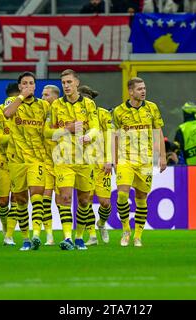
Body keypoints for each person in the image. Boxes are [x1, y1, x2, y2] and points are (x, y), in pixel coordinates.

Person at [46, 69, 100, 251]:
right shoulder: (55, 106)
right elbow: (46, 132)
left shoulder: (89, 105)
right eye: (63, 83)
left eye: (69, 82)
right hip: (63, 159)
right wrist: (65, 130)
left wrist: (88, 136)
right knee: (66, 197)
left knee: (84, 201)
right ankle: (68, 237)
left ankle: (79, 237)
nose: (66, 86)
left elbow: (95, 128)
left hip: (85, 159)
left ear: (77, 82)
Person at [113, 77, 167, 247]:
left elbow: (158, 132)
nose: (143, 91)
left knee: (142, 197)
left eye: (144, 88)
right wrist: (113, 160)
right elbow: (113, 137)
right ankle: (125, 229)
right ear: (130, 91)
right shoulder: (119, 111)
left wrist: (163, 156)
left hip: (145, 160)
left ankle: (138, 236)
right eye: (139, 89)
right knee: (122, 194)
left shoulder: (152, 108)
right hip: (125, 159)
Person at [3, 72, 51, 251]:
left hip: (37, 158)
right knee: (20, 200)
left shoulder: (45, 106)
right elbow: (8, 114)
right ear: (19, 87)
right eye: (24, 83)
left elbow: (49, 129)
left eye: (31, 83)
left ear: (36, 86)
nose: (29, 86)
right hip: (16, 158)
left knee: (37, 195)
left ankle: (36, 234)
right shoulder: (12, 102)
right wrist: (21, 96)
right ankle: (25, 237)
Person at [78, 85, 113, 246]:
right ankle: (92, 234)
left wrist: (109, 160)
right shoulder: (76, 116)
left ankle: (101, 223)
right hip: (85, 164)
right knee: (87, 200)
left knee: (105, 203)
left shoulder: (104, 115)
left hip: (101, 164)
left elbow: (111, 137)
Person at [0, 82, 19, 241]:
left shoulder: (26, 111)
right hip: (3, 162)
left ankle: (9, 235)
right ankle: (4, 225)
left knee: (16, 198)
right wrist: (19, 138)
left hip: (19, 162)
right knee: (3, 201)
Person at [41, 84, 61, 246]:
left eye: (46, 95)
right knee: (44, 200)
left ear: (55, 97)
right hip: (46, 162)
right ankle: (49, 235)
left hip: (63, 163)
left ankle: (68, 233)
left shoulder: (63, 111)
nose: (42, 98)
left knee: (62, 202)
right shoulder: (40, 113)